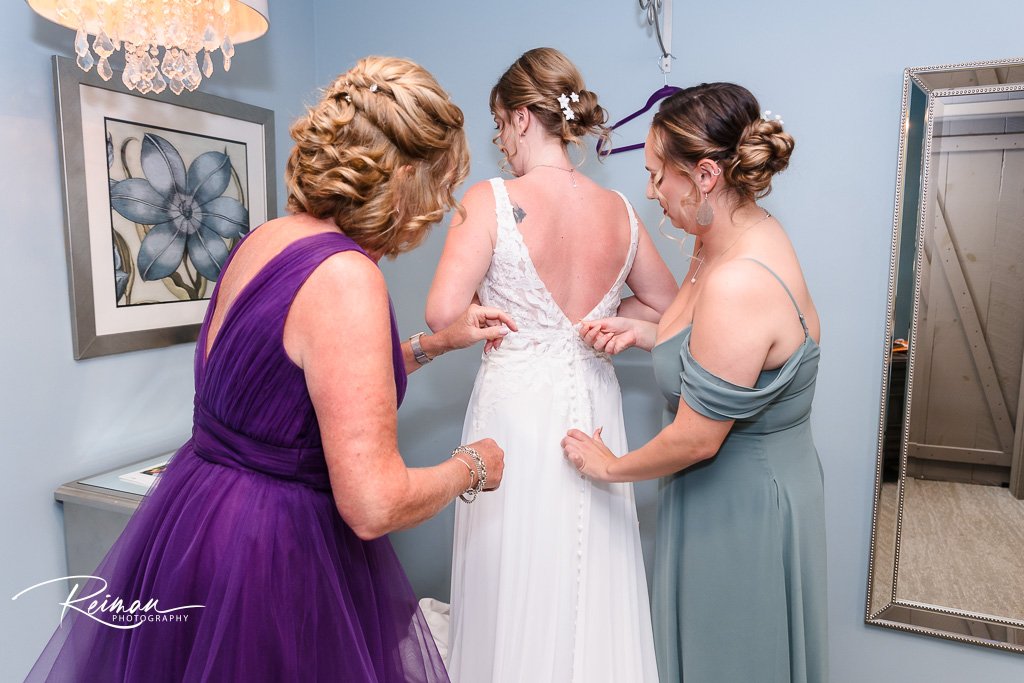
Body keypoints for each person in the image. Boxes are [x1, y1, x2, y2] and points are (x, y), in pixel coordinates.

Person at [28, 56, 513, 683]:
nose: (442, 206)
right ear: (405, 179)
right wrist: (471, 465)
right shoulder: (347, 278)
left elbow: (294, 391)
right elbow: (373, 503)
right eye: (440, 185)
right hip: (273, 551)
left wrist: (432, 345)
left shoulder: (266, 239)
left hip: (198, 517)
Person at [562, 82, 829, 683]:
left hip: (741, 506)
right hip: (719, 493)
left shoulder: (741, 279)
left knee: (732, 657)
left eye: (658, 175)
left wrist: (609, 466)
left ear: (705, 175)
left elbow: (697, 438)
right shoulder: (721, 239)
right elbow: (721, 352)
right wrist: (645, 335)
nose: (652, 192)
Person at [426, 47, 676, 683]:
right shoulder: (620, 211)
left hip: (512, 403)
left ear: (520, 118)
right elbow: (670, 312)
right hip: (592, 404)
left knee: (511, 560)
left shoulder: (488, 199)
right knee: (589, 562)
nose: (500, 143)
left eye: (498, 125)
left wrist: (501, 303)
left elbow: (442, 311)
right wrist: (613, 311)